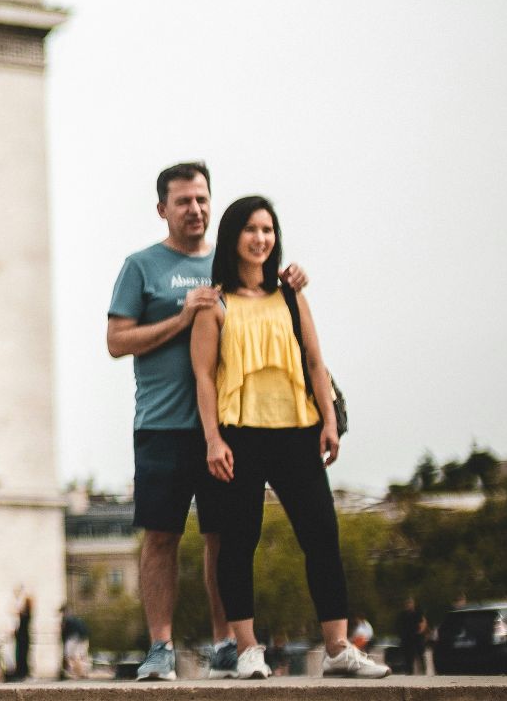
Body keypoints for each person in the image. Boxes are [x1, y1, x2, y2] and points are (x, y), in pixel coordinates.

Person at [107, 162, 306, 681]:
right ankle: (160, 648)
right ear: (162, 210)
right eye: (183, 201)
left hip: (229, 426)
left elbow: (271, 298)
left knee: (224, 537)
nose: (194, 209)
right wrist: (179, 318)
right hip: (162, 426)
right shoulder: (141, 266)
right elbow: (115, 342)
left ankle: (225, 644)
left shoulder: (229, 261)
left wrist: (293, 279)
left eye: (202, 199)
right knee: (161, 537)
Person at [189, 195, 386, 680]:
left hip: (296, 430)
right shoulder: (214, 304)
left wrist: (329, 421)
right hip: (239, 434)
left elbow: (315, 362)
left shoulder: (291, 295)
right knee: (240, 541)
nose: (261, 239)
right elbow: (204, 378)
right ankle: (248, 649)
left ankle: (338, 648)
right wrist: (213, 439)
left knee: (321, 534)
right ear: (234, 236)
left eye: (269, 230)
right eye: (251, 229)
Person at [396, 596, 428, 675]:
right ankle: (409, 671)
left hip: (417, 637)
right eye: (407, 603)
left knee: (420, 654)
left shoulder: (418, 613)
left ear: (413, 604)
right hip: (406, 637)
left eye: (410, 603)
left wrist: (420, 632)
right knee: (408, 655)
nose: (408, 605)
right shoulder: (402, 614)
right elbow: (399, 625)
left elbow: (422, 624)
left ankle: (423, 670)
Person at [11, 590, 33, 681]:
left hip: (23, 638)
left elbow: (16, 610)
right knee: (22, 655)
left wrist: (17, 597)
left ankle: (22, 672)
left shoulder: (25, 614)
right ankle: (22, 672)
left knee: (22, 655)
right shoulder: (27, 614)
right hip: (23, 637)